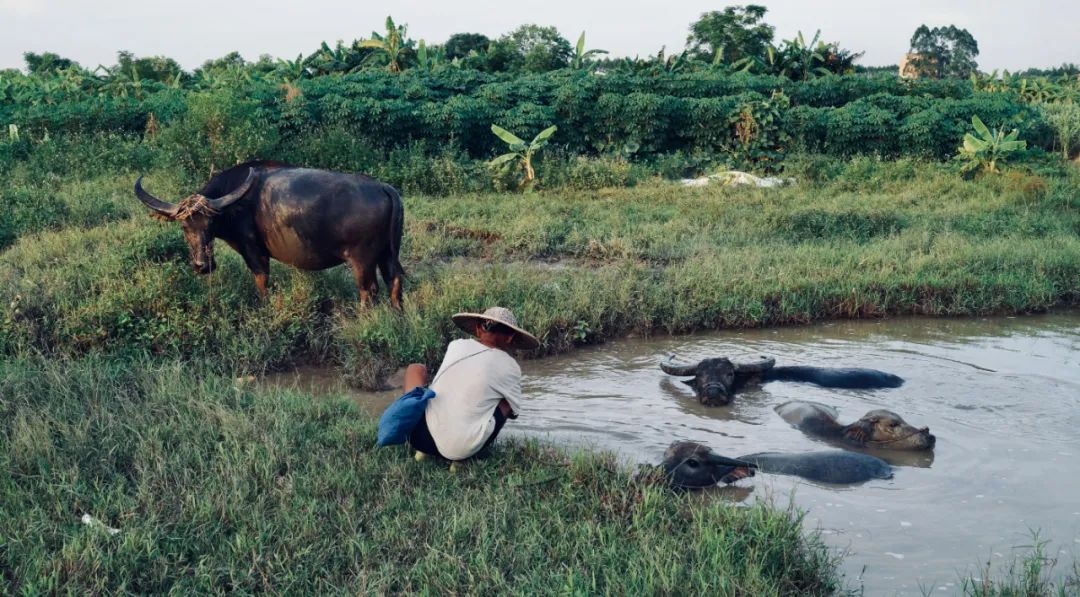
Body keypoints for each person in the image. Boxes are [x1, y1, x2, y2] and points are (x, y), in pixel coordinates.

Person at [404, 306, 540, 469]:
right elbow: (513, 413)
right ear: (510, 337)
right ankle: (460, 460)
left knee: (416, 368)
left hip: (417, 436)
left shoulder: (456, 345)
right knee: (508, 403)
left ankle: (423, 451)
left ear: (477, 328)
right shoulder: (511, 366)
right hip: (457, 449)